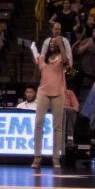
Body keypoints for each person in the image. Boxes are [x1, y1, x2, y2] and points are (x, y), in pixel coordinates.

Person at [30, 37, 70, 168]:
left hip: (58, 93)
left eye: (56, 43)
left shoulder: (62, 59)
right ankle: (37, 157)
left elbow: (66, 61)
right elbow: (37, 67)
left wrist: (61, 44)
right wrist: (33, 51)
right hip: (43, 92)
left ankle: (56, 158)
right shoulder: (43, 58)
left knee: (57, 127)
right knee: (38, 123)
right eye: (51, 43)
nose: (53, 44)